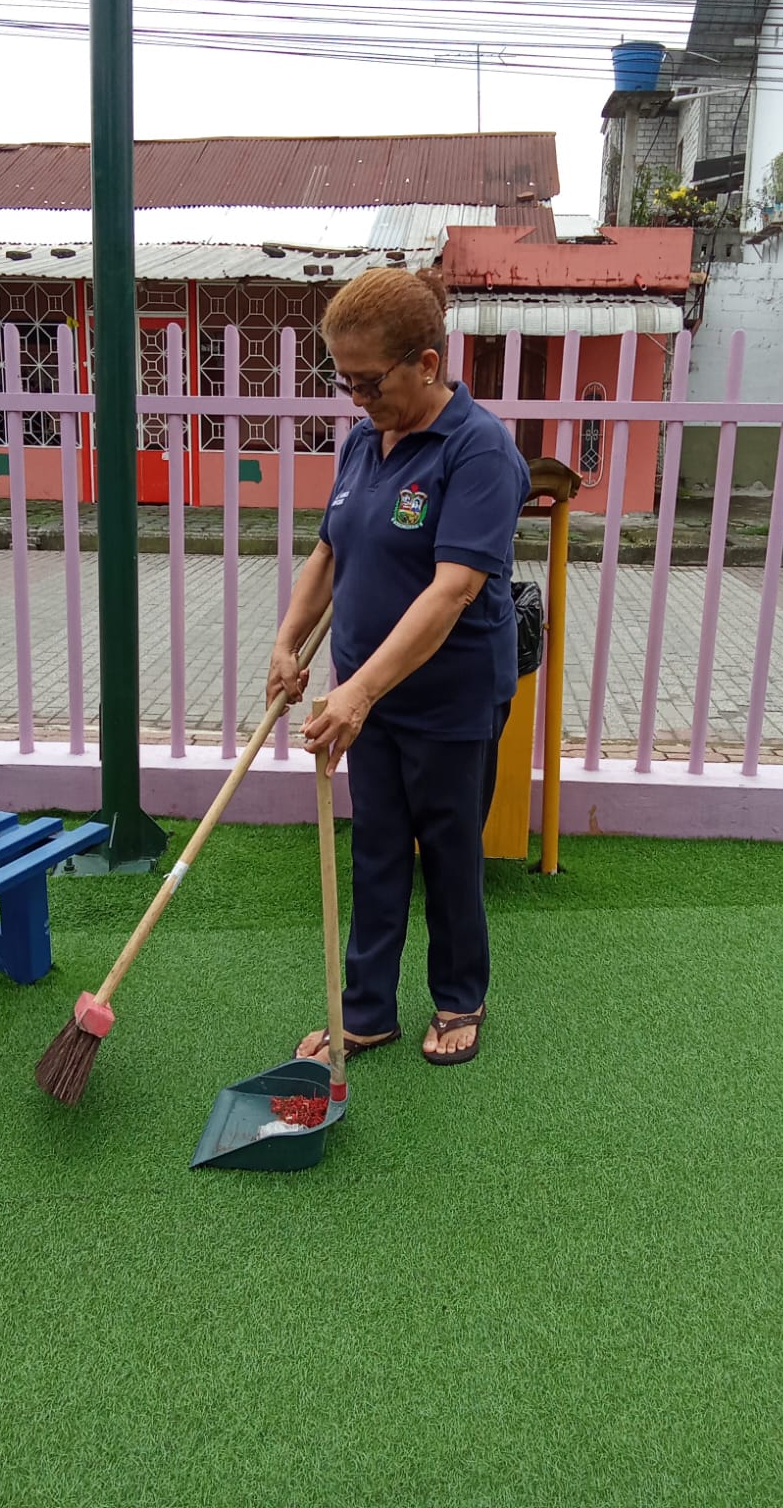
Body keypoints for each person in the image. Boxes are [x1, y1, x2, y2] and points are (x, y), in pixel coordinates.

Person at [266, 268, 530, 1066]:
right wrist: (288, 641)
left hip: (449, 698)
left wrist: (359, 692)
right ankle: (366, 1010)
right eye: (343, 381)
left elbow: (453, 591)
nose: (357, 399)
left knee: (449, 854)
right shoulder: (361, 442)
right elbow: (329, 552)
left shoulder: (480, 450)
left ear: (426, 362)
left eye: (370, 382)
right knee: (375, 850)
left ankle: (459, 998)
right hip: (366, 698)